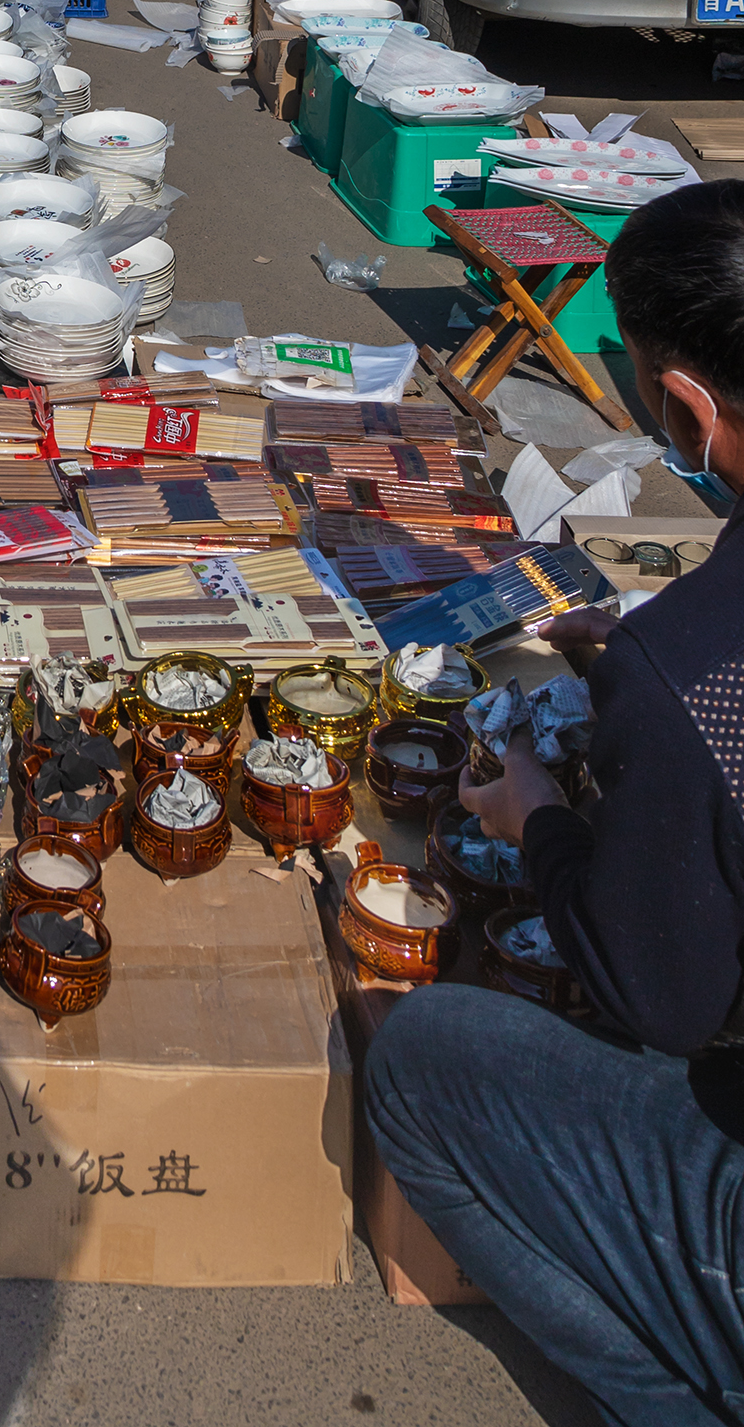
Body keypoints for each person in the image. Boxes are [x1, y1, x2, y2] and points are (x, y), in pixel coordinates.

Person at [367, 174, 744, 1427]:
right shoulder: (675, 662)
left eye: (634, 374)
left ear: (687, 409)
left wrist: (537, 812)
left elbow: (665, 997)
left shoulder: (691, 667)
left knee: (420, 1061)